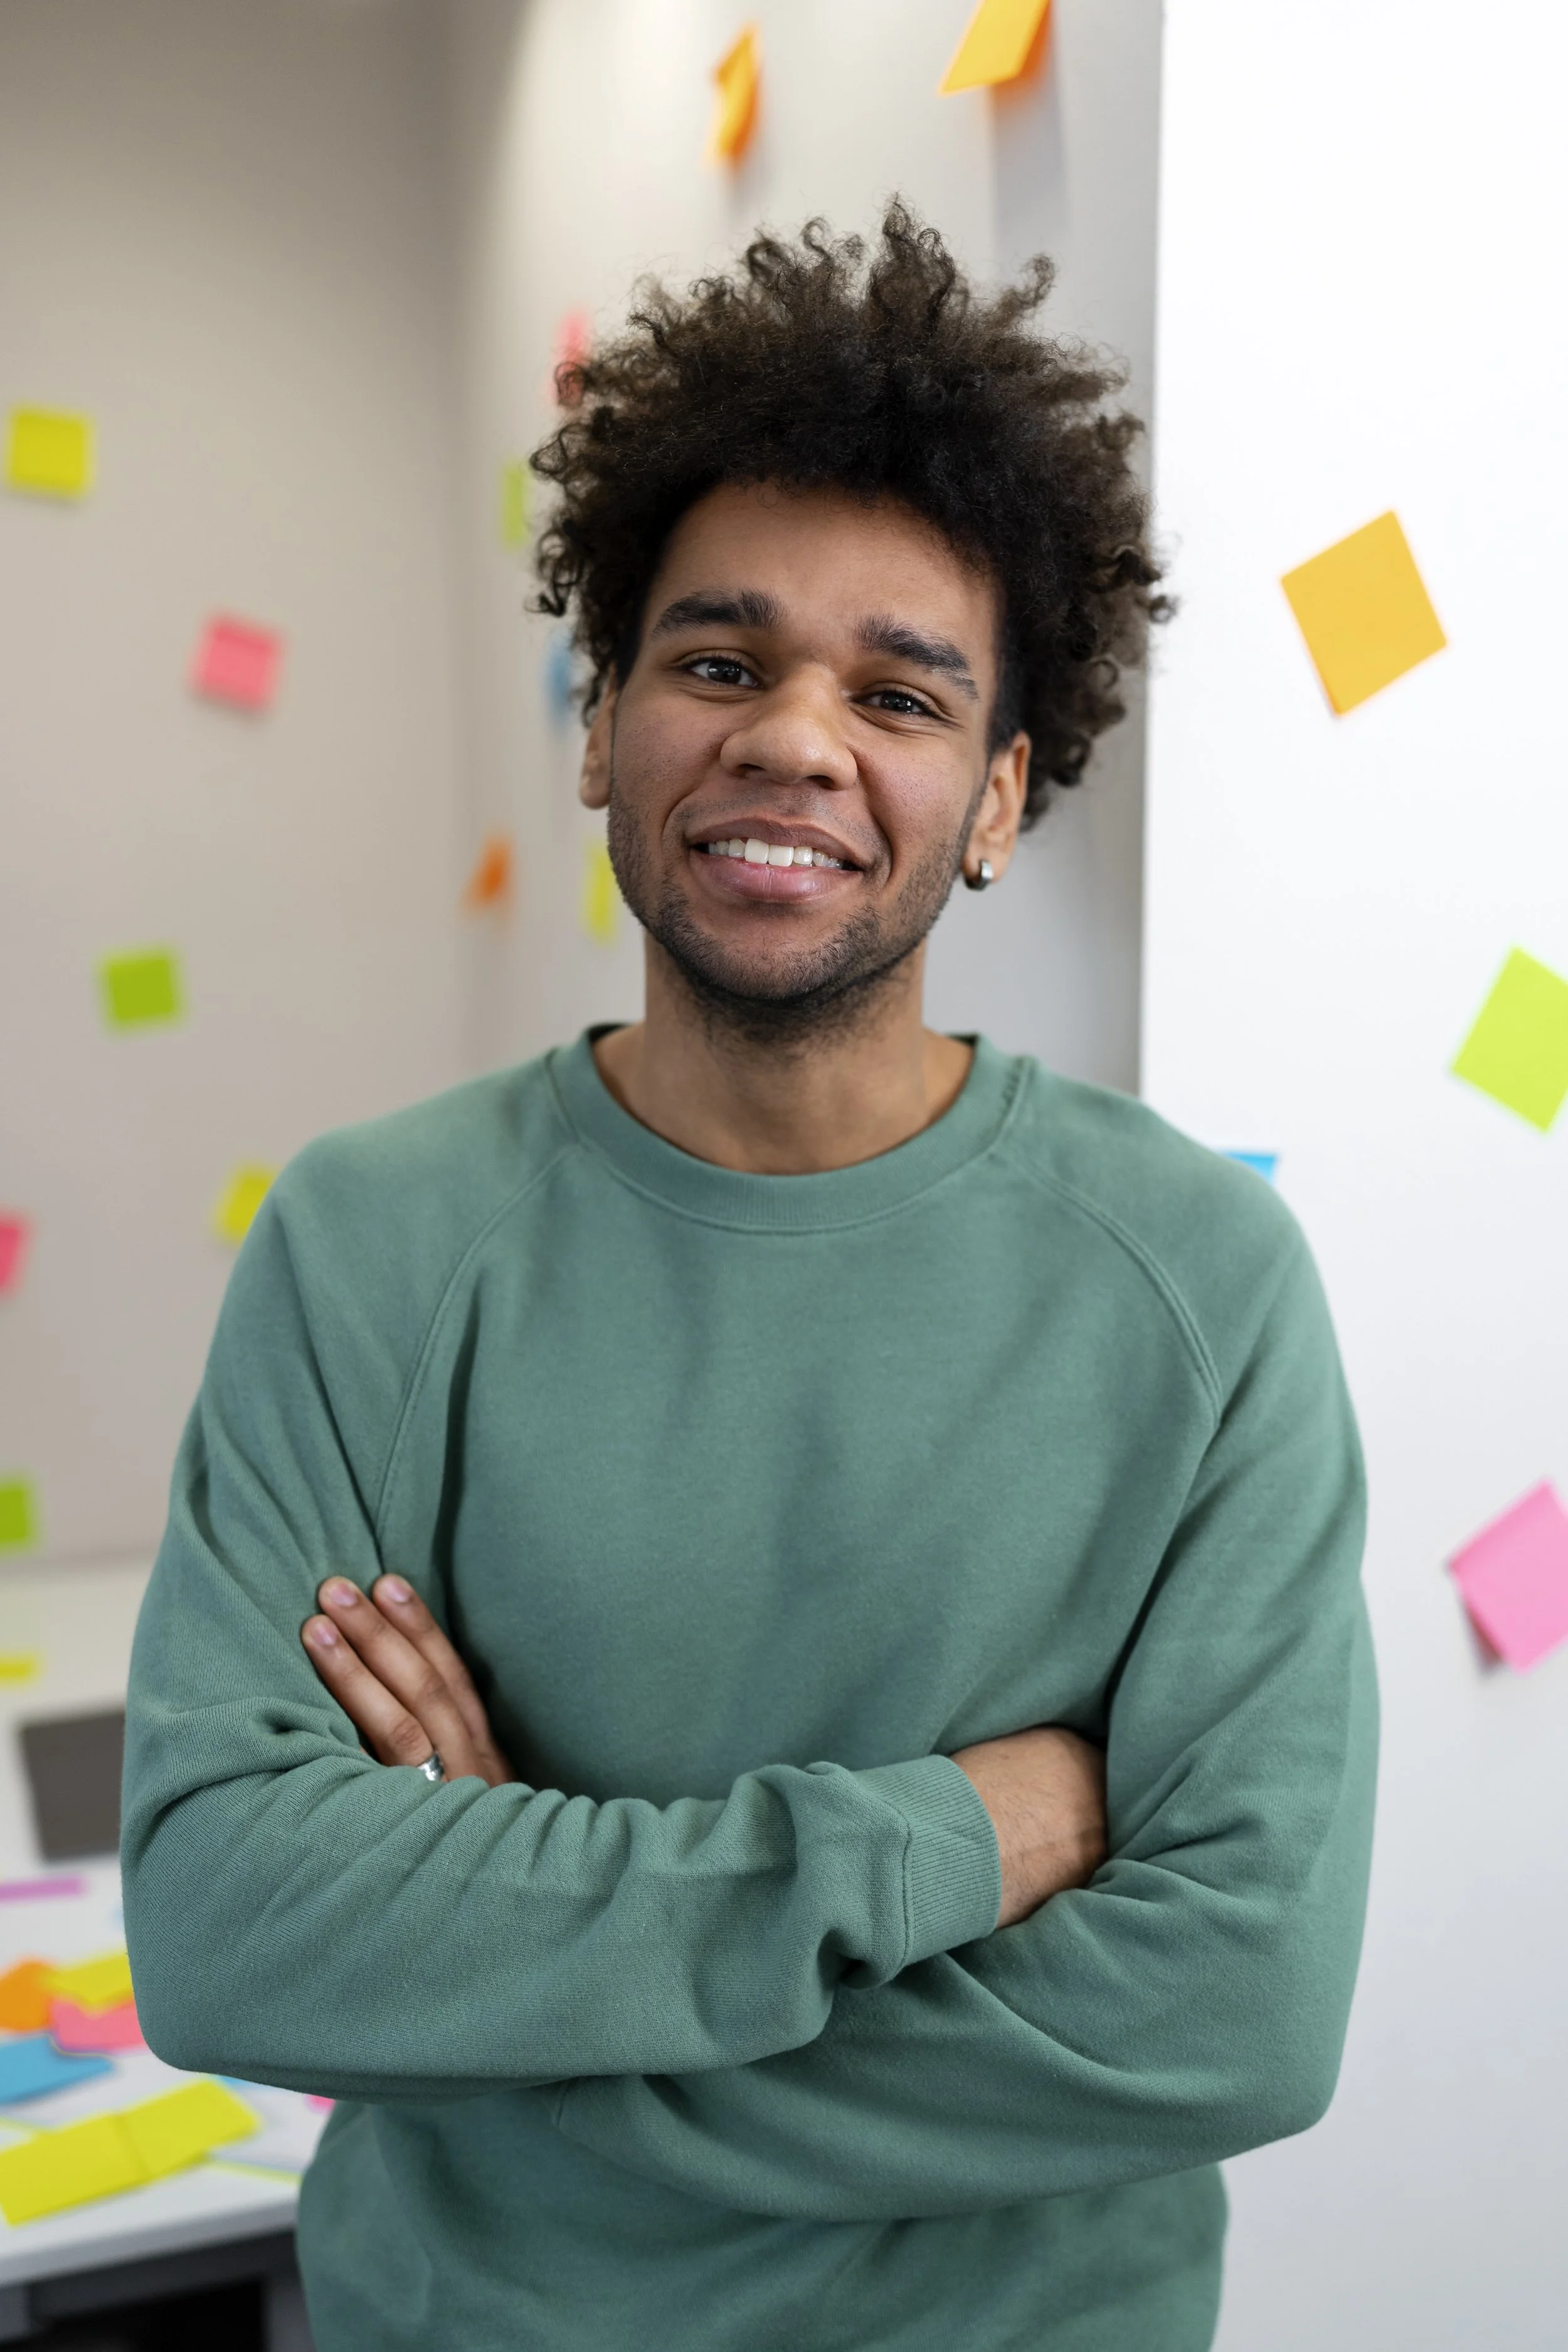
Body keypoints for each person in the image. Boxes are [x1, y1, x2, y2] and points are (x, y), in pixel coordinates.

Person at [122, 206, 1377, 2352]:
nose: (796, 737)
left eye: (896, 693)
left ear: (996, 799)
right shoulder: (369, 1243)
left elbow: (1233, 2012)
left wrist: (521, 1991)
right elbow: (233, 1930)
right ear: (600, 726)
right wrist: (952, 1834)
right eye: (718, 662)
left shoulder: (1202, 1285)